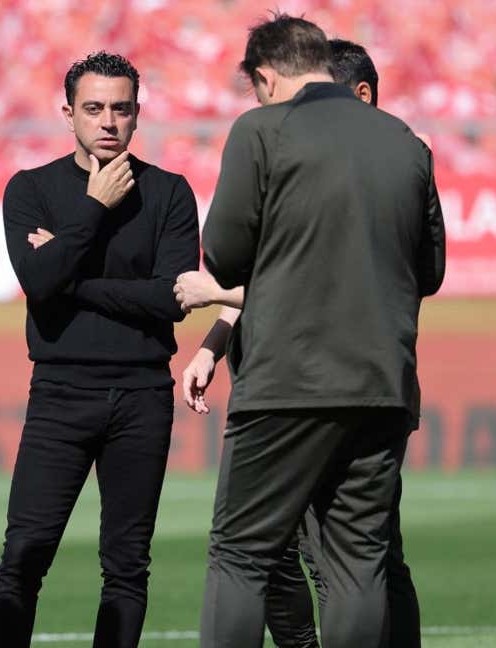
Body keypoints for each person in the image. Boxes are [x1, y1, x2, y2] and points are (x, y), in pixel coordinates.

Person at [194, 15, 445, 648]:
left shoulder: (260, 130)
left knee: (240, 554)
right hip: (382, 382)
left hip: (286, 381)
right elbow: (431, 272)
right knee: (359, 561)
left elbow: (222, 254)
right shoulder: (405, 141)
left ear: (265, 76)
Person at [0, 51, 199, 648]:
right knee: (23, 556)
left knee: (126, 566)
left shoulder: (170, 193)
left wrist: (74, 278)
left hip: (143, 395)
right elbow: (38, 281)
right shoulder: (30, 189)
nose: (108, 121)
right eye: (94, 108)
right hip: (60, 392)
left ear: (137, 115)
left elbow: (172, 299)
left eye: (121, 109)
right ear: (68, 113)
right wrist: (92, 208)